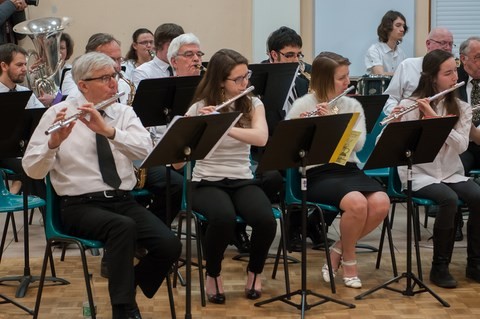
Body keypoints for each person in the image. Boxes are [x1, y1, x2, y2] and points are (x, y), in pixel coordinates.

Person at [22, 52, 182, 318]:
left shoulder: (123, 112)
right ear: (83, 84)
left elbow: (146, 149)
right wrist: (53, 144)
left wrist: (109, 132)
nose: (114, 83)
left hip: (122, 200)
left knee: (169, 246)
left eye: (115, 76)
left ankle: (126, 286)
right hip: (78, 205)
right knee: (123, 228)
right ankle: (124, 310)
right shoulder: (57, 114)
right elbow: (32, 170)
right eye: (105, 78)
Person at [174, 48, 277, 303]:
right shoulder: (200, 107)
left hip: (242, 178)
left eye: (247, 76)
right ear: (220, 80)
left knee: (266, 220)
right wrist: (197, 128)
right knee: (223, 218)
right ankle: (213, 274)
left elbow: (261, 137)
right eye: (239, 79)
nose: (246, 83)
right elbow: (177, 162)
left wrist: (225, 125)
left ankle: (254, 271)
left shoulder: (253, 103)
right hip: (206, 181)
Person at [286, 51, 390, 289]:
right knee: (357, 203)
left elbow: (361, 144)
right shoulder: (302, 105)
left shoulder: (352, 104)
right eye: (341, 78)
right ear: (324, 80)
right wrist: (307, 128)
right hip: (317, 172)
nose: (348, 82)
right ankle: (350, 263)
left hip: (348, 169)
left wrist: (336, 123)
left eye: (347, 76)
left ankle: (337, 252)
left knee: (382, 202)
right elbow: (291, 148)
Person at [390, 49, 480, 288]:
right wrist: (396, 122)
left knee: (478, 196)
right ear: (432, 78)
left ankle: (475, 264)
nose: (454, 77)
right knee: (448, 200)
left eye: (454, 71)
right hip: (418, 175)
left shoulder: (461, 107)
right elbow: (386, 145)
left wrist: (435, 120)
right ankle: (440, 267)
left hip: (451, 172)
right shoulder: (410, 105)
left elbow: (461, 146)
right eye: (448, 73)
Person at [0, 43, 45, 195]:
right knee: (30, 167)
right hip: (3, 152)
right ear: (4, 66)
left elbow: (42, 118)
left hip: (22, 149)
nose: (25, 69)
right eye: (19, 65)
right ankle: (51, 216)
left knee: (47, 162)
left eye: (25, 64)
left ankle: (51, 212)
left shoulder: (25, 92)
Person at [383, 27, 454, 115]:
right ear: (428, 44)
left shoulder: (453, 72)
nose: (447, 48)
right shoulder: (407, 65)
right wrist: (395, 111)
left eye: (450, 44)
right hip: (409, 120)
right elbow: (391, 97)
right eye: (443, 43)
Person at [132, 23, 184, 87]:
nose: (176, 50)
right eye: (172, 45)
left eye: (179, 46)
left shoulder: (183, 67)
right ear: (159, 45)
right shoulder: (142, 72)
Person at [458, 37, 480, 174]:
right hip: (462, 146)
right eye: (477, 57)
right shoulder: (453, 78)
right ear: (463, 59)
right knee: (455, 171)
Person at [365, 10, 408, 76]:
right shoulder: (374, 50)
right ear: (387, 27)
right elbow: (380, 74)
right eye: (398, 25)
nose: (402, 29)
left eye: (403, 26)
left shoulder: (401, 53)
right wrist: (401, 75)